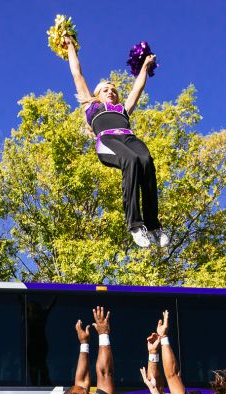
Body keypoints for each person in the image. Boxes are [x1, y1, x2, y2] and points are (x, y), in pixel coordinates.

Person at [61, 34, 170, 249]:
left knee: (146, 161)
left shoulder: (123, 109)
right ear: (97, 94)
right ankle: (136, 226)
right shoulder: (90, 106)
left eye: (113, 90)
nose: (110, 92)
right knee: (130, 160)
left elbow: (137, 89)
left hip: (129, 138)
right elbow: (77, 74)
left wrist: (145, 68)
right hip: (108, 140)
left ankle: (154, 225)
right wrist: (71, 47)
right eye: (105, 89)